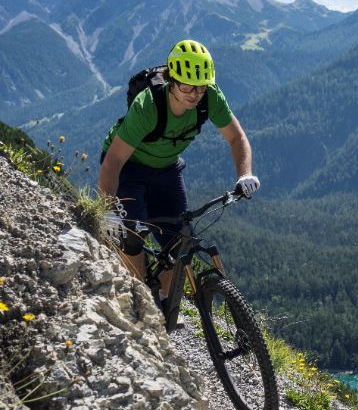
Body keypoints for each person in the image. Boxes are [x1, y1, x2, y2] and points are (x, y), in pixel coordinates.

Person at [98, 39, 259, 301]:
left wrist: (245, 174)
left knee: (180, 242)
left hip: (166, 169)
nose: (194, 94)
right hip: (128, 168)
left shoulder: (211, 99)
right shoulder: (147, 106)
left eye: (200, 87)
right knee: (133, 237)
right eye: (186, 85)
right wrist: (106, 209)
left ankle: (162, 301)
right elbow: (113, 161)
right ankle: (137, 303)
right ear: (172, 80)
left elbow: (237, 138)